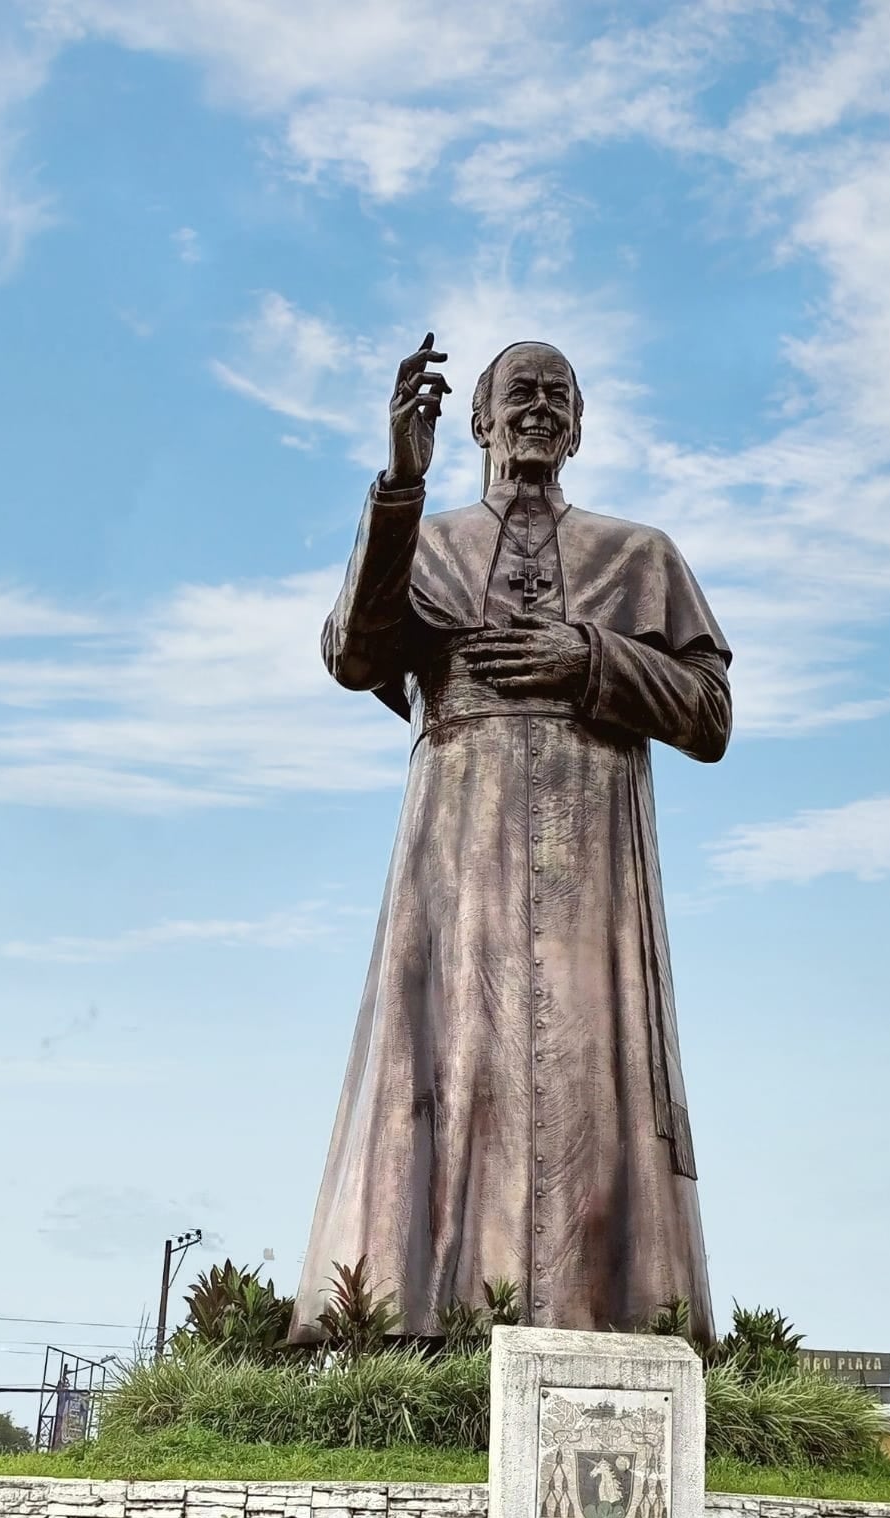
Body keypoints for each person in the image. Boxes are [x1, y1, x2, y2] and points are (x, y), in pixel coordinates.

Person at [289, 335, 731, 1345]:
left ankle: (605, 1311)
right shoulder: (430, 543)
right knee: (442, 1059)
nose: (538, 408)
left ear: (578, 427)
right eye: (517, 394)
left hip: (591, 852)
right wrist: (400, 484)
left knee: (588, 1060)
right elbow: (356, 653)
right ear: (479, 421)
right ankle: (412, 1314)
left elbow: (709, 712)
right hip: (458, 834)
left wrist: (590, 656)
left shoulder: (639, 556)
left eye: (557, 396)